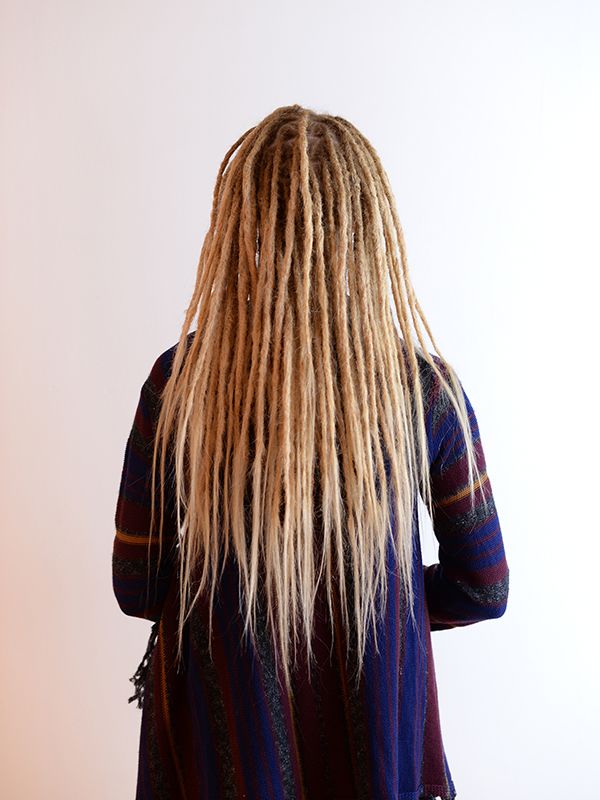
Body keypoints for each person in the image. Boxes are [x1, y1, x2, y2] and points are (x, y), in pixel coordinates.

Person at [112, 104, 509, 800]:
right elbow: (485, 585)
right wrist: (375, 603)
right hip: (379, 764)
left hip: (222, 765)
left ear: (243, 227)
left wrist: (235, 599)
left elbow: (135, 584)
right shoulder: (423, 394)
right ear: (366, 231)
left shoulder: (181, 386)